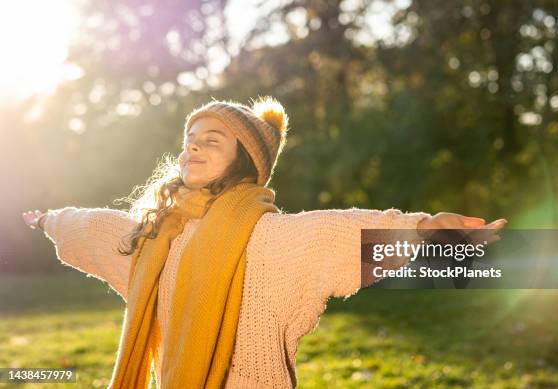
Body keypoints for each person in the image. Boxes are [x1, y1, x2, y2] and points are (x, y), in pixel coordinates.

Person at [23, 96, 507, 389]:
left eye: (212, 140)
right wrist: (50, 219)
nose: (193, 145)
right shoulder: (156, 233)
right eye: (190, 138)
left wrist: (422, 228)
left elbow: (339, 232)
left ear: (243, 162)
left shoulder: (270, 240)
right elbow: (97, 226)